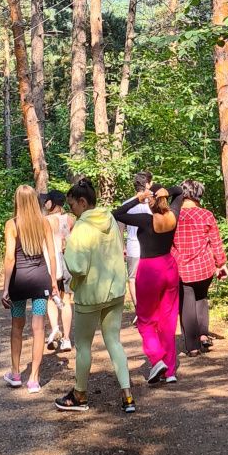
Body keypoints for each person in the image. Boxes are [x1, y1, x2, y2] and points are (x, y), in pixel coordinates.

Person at [55, 176, 135, 415]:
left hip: (90, 295)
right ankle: (127, 396)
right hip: (115, 290)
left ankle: (79, 395)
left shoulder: (81, 227)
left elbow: (78, 267)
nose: (71, 210)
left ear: (82, 202)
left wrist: (66, 251)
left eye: (72, 205)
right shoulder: (109, 217)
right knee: (114, 341)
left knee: (83, 346)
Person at [114, 182, 180, 386]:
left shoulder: (145, 220)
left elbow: (117, 213)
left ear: (150, 201)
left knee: (145, 320)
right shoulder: (173, 216)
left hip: (150, 270)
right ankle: (170, 371)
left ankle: (157, 359)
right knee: (168, 320)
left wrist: (138, 198)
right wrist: (165, 191)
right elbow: (179, 191)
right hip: (169, 267)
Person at [1, 184, 58, 393]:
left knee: (17, 325)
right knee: (38, 327)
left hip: (19, 282)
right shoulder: (43, 223)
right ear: (34, 200)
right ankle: (34, 378)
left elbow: (10, 258)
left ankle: (16, 373)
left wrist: (5, 288)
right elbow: (52, 254)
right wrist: (53, 281)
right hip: (40, 281)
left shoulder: (12, 224)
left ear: (17, 201)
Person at [173, 178, 227, 358]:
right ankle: (203, 335)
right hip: (204, 267)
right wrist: (221, 264)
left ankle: (192, 346)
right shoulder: (206, 215)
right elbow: (216, 242)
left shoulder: (174, 216)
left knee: (186, 304)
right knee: (201, 298)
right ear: (198, 195)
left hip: (181, 269)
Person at [42, 190, 73, 353]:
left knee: (51, 298)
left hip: (50, 261)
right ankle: (66, 339)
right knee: (66, 298)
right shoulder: (70, 219)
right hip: (66, 260)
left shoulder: (45, 221)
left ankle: (55, 329)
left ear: (50, 203)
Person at [116, 170, 148, 309]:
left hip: (132, 246)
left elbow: (119, 229)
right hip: (149, 247)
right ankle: (147, 308)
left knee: (133, 278)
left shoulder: (126, 204)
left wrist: (122, 247)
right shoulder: (152, 204)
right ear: (147, 184)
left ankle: (138, 308)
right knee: (148, 277)